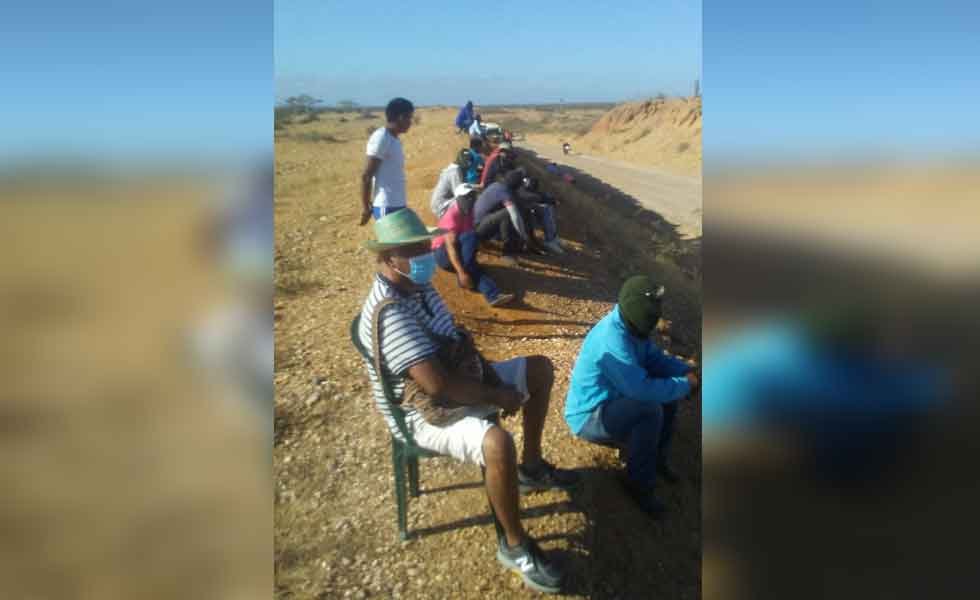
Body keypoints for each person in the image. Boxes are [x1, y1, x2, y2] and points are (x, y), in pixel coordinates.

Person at [357, 208, 580, 594]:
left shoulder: (418, 287)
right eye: (415, 249)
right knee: (497, 443)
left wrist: (490, 378)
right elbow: (437, 386)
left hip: (458, 381)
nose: (426, 254)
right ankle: (514, 546)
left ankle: (530, 468)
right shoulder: (389, 313)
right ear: (389, 257)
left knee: (540, 370)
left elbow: (456, 344)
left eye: (425, 245)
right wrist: (497, 394)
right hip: (419, 412)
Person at [564, 276, 699, 517]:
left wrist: (685, 372)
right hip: (590, 416)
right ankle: (639, 484)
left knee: (666, 393)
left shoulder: (632, 326)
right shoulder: (612, 339)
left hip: (613, 402)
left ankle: (657, 459)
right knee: (650, 409)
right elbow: (639, 390)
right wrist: (685, 385)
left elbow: (654, 359)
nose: (649, 329)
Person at [432, 184, 516, 307]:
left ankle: (492, 295)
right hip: (442, 254)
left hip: (456, 246)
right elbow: (450, 247)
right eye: (466, 197)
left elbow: (468, 237)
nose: (471, 199)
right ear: (458, 199)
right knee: (470, 263)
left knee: (472, 256)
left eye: (472, 196)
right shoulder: (452, 216)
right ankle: (489, 292)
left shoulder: (469, 211)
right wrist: (461, 272)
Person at [359, 97, 414, 225]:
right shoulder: (381, 137)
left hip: (398, 204)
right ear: (400, 117)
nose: (410, 122)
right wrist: (366, 207)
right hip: (386, 206)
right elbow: (366, 176)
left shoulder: (394, 139)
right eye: (409, 118)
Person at [473, 170, 532, 266]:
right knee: (508, 214)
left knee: (509, 212)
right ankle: (508, 253)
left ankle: (497, 239)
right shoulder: (505, 193)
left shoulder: (496, 185)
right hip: (477, 230)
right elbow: (515, 216)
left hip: (476, 225)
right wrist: (523, 235)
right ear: (516, 185)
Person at [515, 176, 564, 255]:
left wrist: (552, 200)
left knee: (546, 207)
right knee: (544, 209)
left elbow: (539, 195)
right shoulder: (522, 192)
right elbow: (537, 196)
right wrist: (552, 201)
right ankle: (549, 239)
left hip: (523, 212)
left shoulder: (521, 188)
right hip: (518, 215)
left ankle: (553, 237)